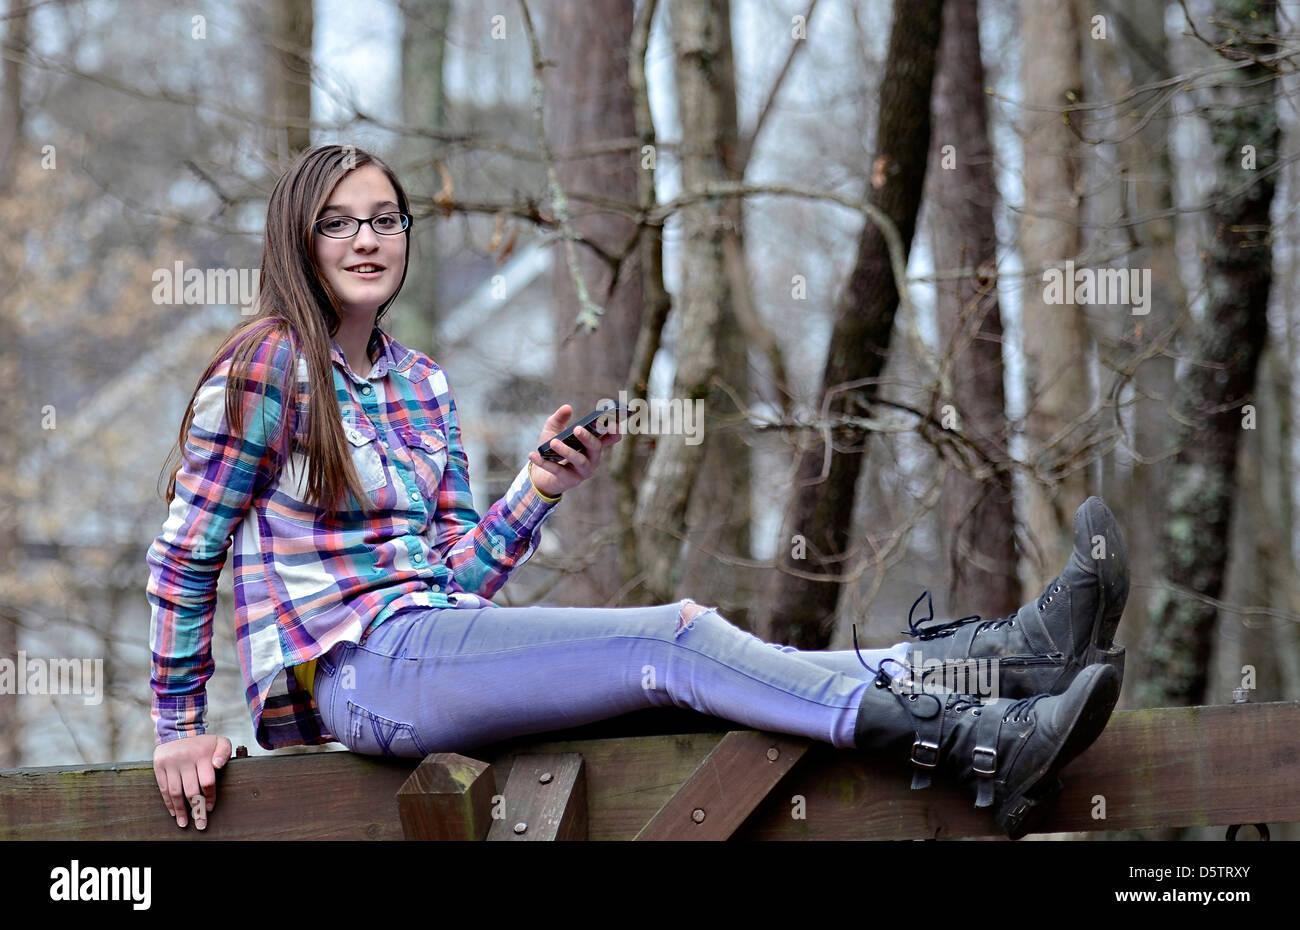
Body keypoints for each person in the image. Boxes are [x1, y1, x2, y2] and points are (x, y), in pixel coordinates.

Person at [147, 144, 1126, 841]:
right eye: (338, 222)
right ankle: (979, 744)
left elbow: (453, 588)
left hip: (427, 644)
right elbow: (186, 553)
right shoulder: (268, 367)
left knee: (751, 669)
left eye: (386, 219)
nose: (368, 239)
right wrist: (179, 724)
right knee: (677, 639)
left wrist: (534, 491)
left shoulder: (423, 384)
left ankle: (1003, 666)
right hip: (356, 677)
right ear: (300, 238)